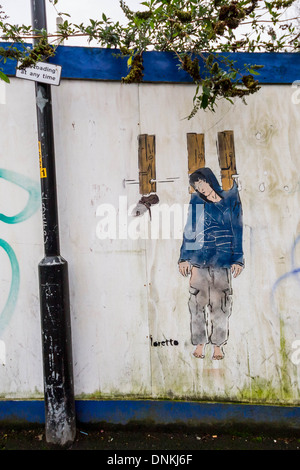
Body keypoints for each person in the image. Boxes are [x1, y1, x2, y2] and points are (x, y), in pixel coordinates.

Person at [178, 167, 244, 360]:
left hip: (223, 261)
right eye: (197, 187)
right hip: (199, 260)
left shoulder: (230, 198)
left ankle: (218, 346)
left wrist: (237, 259)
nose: (201, 189)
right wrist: (184, 258)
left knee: (221, 304)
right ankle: (199, 343)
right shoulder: (197, 201)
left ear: (210, 180)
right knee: (197, 304)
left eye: (202, 184)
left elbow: (238, 230)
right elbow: (190, 229)